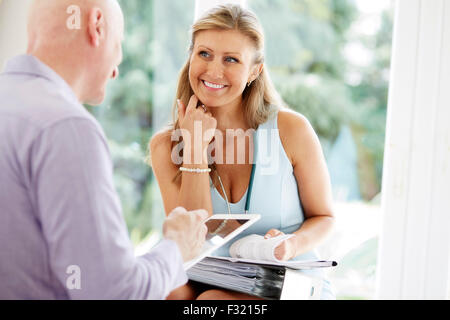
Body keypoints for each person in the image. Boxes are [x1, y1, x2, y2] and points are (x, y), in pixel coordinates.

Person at [0, 0, 208, 300]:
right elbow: (113, 292)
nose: (116, 68)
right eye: (119, 43)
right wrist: (176, 246)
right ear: (97, 26)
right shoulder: (66, 126)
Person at [149, 4, 336, 300]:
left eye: (231, 59)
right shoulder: (165, 146)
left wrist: (291, 245)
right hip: (211, 275)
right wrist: (195, 148)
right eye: (204, 54)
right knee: (170, 291)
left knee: (213, 301)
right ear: (191, 57)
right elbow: (190, 242)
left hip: (286, 280)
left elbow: (324, 216)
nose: (214, 70)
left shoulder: (291, 129)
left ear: (254, 71)